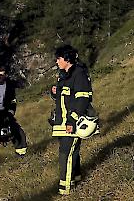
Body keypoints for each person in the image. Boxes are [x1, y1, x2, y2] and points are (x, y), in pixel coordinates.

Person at [50, 45, 93, 195]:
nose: (56, 62)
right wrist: (54, 92)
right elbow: (63, 97)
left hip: (70, 122)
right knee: (71, 152)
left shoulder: (79, 74)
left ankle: (65, 189)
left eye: (59, 58)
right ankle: (75, 178)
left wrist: (72, 121)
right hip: (61, 122)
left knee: (65, 154)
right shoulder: (63, 75)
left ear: (67, 59)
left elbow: (82, 99)